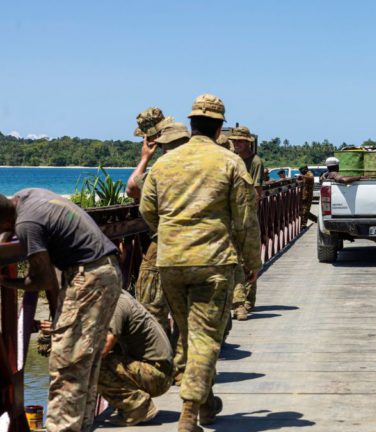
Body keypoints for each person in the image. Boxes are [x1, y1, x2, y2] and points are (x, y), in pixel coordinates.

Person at [140, 93, 262, 431]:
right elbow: (245, 219)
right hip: (212, 261)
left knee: (189, 336)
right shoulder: (229, 162)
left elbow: (146, 209)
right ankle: (189, 412)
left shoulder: (164, 163)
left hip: (170, 262)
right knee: (206, 337)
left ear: (191, 123)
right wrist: (252, 261)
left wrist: (170, 233)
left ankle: (206, 403)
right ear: (220, 126)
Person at [0, 189, 121, 431]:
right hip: (106, 270)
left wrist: (4, 282)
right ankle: (82, 425)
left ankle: (61, 428)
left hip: (88, 278)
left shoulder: (27, 224)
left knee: (66, 361)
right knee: (86, 359)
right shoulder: (28, 196)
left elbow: (42, 280)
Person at [127, 115, 191, 337]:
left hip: (165, 244)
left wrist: (145, 158)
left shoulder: (162, 168)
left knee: (151, 302)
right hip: (198, 244)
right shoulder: (200, 167)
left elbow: (132, 188)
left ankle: (161, 352)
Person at [99, 290, 173, 426]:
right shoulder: (119, 296)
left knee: (95, 366)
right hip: (157, 370)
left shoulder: (116, 304)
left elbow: (103, 348)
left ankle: (138, 406)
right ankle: (132, 404)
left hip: (158, 375)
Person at [229, 125, 263, 320]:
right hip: (232, 218)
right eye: (234, 141)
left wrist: (247, 209)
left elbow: (258, 192)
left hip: (248, 216)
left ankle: (249, 299)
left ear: (248, 142)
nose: (236, 144)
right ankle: (239, 302)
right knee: (236, 260)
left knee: (250, 260)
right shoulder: (232, 160)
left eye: (240, 141)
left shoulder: (255, 162)